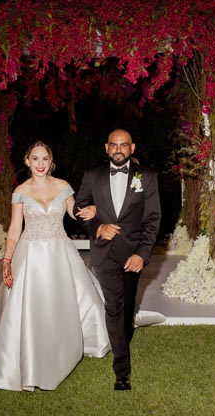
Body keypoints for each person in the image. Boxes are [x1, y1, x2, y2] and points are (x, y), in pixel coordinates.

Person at [0, 141, 110, 392]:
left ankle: (72, 341)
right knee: (30, 304)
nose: (40, 164)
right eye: (35, 158)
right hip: (29, 255)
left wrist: (91, 210)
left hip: (60, 252)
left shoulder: (62, 186)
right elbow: (15, 229)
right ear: (27, 161)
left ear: (52, 162)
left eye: (45, 159)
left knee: (71, 300)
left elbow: (74, 212)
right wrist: (7, 260)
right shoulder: (20, 191)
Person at [73, 128, 161, 391]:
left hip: (132, 254)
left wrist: (142, 254)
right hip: (104, 254)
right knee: (113, 307)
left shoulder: (148, 176)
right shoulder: (93, 175)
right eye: (114, 145)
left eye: (124, 145)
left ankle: (122, 338)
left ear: (132, 148)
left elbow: (152, 219)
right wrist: (97, 227)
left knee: (126, 309)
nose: (119, 149)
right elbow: (79, 210)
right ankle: (122, 370)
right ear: (106, 148)